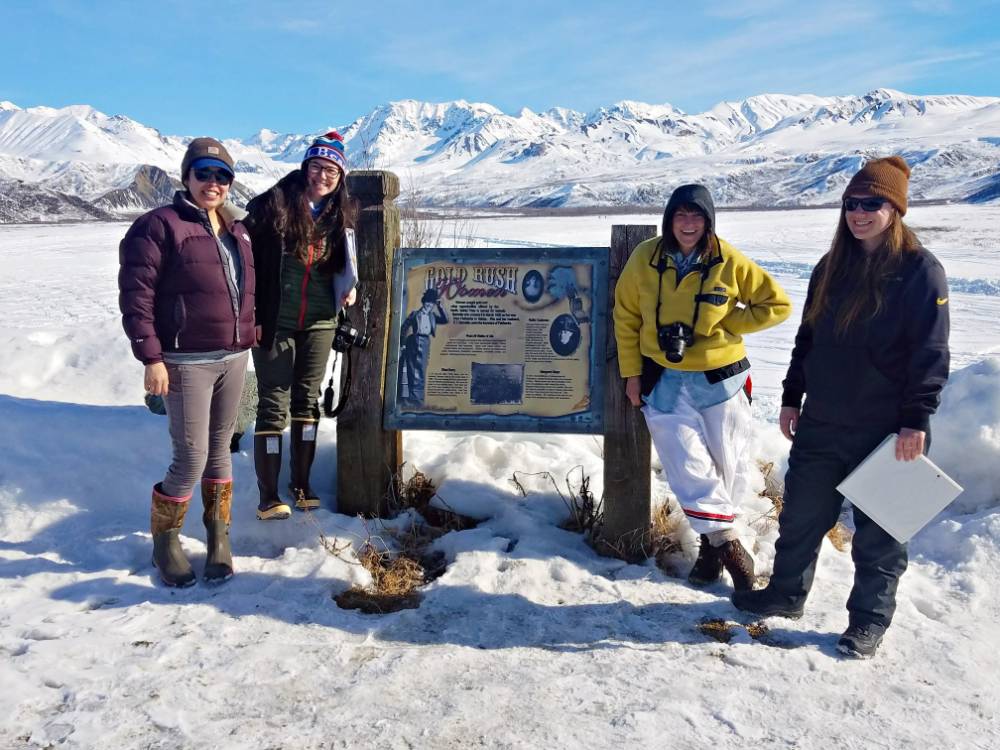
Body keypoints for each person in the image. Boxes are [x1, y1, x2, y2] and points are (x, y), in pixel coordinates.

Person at [732, 157, 950, 658]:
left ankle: (868, 623)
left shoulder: (921, 270)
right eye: (852, 203)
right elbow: (807, 339)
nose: (859, 213)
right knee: (802, 517)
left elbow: (932, 352)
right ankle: (785, 596)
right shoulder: (830, 267)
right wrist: (791, 396)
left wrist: (916, 420)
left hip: (889, 428)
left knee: (880, 535)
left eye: (872, 203)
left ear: (895, 209)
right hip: (825, 419)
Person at [614, 184, 791, 591]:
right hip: (663, 380)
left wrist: (728, 324)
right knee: (686, 463)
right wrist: (631, 374)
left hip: (721, 380)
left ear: (708, 221)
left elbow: (777, 304)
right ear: (669, 219)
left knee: (729, 467)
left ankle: (710, 553)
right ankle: (731, 547)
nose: (688, 224)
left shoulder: (727, 260)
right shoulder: (645, 258)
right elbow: (625, 318)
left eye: (697, 217)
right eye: (681, 216)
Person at [119, 137, 255, 587]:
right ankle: (166, 541)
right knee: (191, 455)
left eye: (222, 176)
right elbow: (137, 296)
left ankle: (219, 538)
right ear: (186, 177)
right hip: (185, 360)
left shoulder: (236, 228)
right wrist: (151, 357)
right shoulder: (159, 225)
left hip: (233, 355)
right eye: (203, 173)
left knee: (220, 450)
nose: (212, 183)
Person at [245, 131, 358, 519]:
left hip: (321, 320)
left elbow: (347, 259)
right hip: (276, 321)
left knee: (306, 400)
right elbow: (243, 249)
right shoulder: (274, 205)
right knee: (273, 402)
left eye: (331, 170)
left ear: (340, 176)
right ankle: (268, 496)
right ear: (304, 166)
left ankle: (302, 484)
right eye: (316, 166)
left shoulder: (340, 214)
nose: (322, 176)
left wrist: (349, 285)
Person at [399, 288, 448, 405]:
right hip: (414, 341)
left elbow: (445, 320)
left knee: (421, 370)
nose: (429, 305)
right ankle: (410, 398)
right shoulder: (415, 314)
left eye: (431, 303)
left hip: (425, 342)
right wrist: (403, 344)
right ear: (423, 302)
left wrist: (440, 307)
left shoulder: (433, 316)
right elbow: (404, 328)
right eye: (427, 302)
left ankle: (418, 399)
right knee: (411, 369)